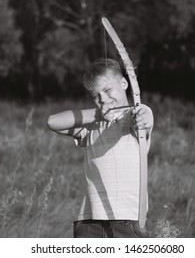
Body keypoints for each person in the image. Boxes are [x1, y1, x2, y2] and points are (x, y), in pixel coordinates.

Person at [47, 58, 153, 238]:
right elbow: (53, 122)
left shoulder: (134, 116)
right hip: (89, 218)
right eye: (96, 96)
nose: (103, 99)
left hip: (127, 218)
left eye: (107, 90)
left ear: (125, 83)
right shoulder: (91, 126)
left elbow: (145, 118)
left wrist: (144, 118)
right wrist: (99, 115)